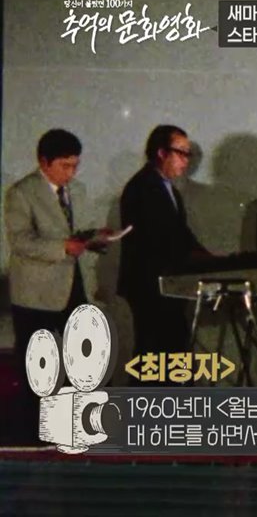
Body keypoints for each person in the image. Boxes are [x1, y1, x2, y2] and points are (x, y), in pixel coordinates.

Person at [5, 129, 98, 439]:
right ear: (44, 162)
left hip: (72, 282)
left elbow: (73, 231)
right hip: (36, 292)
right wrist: (62, 248)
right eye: (65, 166)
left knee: (81, 354)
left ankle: (73, 423)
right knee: (38, 364)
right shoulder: (22, 192)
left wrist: (93, 239)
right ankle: (34, 430)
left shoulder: (75, 190)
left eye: (75, 165)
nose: (71, 173)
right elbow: (20, 241)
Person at [118, 124, 210, 382]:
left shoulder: (168, 189)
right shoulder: (143, 186)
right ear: (161, 152)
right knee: (154, 356)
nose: (186, 161)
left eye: (188, 154)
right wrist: (201, 259)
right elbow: (164, 238)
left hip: (168, 285)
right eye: (181, 153)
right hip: (151, 287)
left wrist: (208, 259)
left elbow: (182, 235)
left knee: (169, 355)